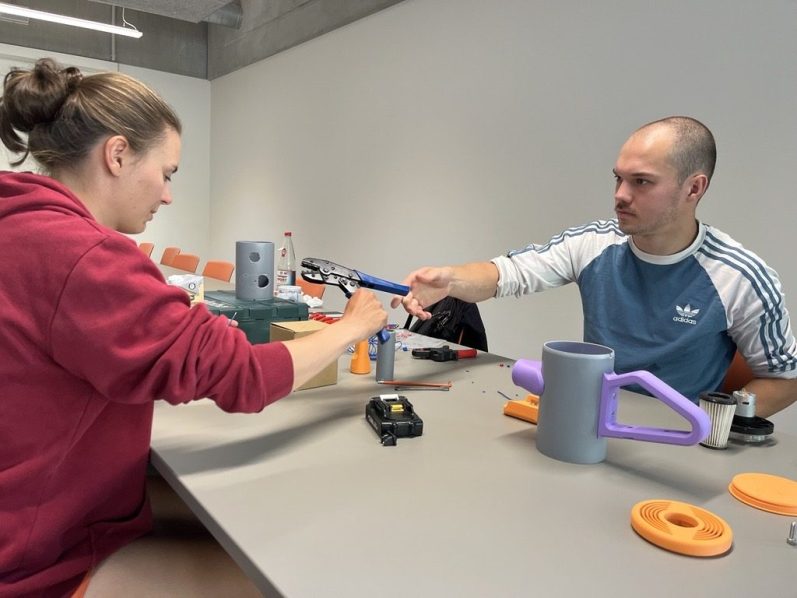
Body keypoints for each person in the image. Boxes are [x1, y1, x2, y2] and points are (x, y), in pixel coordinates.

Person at [0, 58, 387, 597]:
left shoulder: (19, 223)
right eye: (167, 174)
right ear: (117, 155)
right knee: (282, 572)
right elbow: (243, 377)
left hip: (31, 513)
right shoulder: (84, 257)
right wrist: (352, 327)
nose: (167, 196)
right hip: (35, 563)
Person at [393, 116, 797, 418]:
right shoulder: (595, 242)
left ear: (694, 188)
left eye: (641, 182)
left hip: (679, 442)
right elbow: (507, 274)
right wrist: (450, 280)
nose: (620, 195)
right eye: (618, 179)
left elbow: (784, 379)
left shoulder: (740, 276)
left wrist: (711, 424)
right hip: (593, 421)